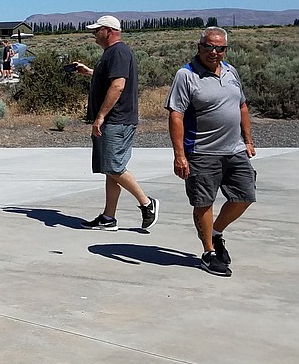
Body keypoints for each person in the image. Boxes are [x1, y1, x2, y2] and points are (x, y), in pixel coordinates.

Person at [166, 28, 256, 277]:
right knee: (203, 202)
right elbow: (176, 115)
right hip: (201, 151)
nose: (213, 52)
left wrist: (247, 140)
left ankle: (215, 233)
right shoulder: (186, 75)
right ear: (199, 47)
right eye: (208, 47)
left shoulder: (230, 71)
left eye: (219, 48)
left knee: (245, 195)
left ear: (225, 49)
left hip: (234, 149)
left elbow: (242, 106)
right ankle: (209, 252)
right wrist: (179, 154)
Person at [70, 15, 158, 231]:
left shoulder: (118, 51)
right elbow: (110, 79)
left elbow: (118, 86)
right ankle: (109, 218)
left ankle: (147, 204)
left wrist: (100, 117)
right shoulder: (111, 53)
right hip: (115, 120)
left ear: (108, 31)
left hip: (116, 120)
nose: (93, 34)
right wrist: (90, 72)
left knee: (114, 166)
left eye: (96, 30)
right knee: (111, 169)